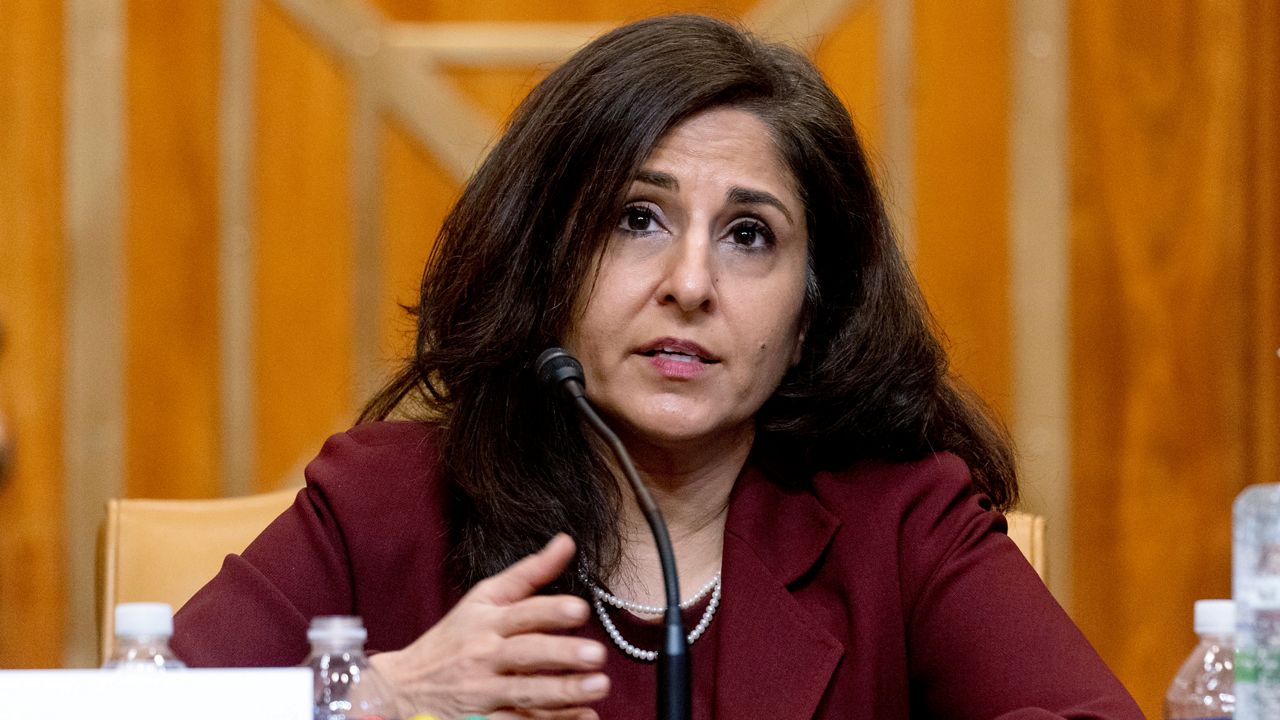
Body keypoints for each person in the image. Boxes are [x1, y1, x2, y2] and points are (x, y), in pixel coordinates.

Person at [173, 14, 1144, 720]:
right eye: (636, 219)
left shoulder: (895, 522)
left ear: (809, 314)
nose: (689, 283)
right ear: (550, 262)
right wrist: (375, 695)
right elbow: (135, 704)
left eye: (749, 236)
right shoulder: (383, 504)